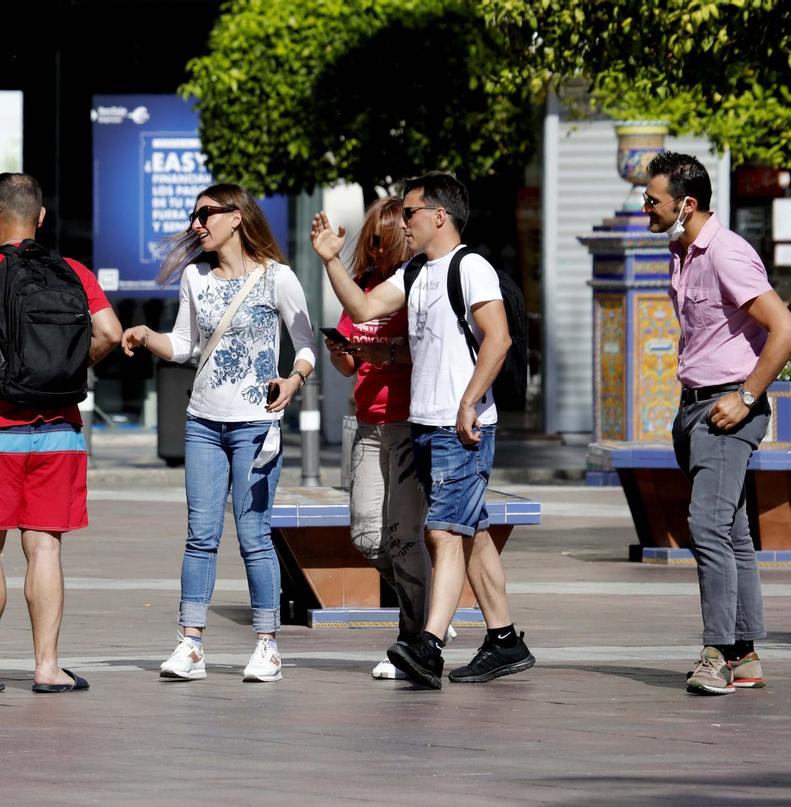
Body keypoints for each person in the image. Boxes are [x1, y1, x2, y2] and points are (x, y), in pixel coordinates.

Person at [311, 171, 534, 689]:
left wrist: (469, 402)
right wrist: (328, 260)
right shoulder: (415, 272)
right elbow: (363, 308)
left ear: (439, 215)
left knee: (442, 532)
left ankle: (428, 646)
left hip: (463, 427)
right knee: (470, 533)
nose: (402, 222)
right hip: (425, 424)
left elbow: (497, 339)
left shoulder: (470, 266)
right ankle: (504, 641)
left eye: (409, 213)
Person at [0, 172, 123, 692]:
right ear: (40, 218)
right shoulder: (73, 270)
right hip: (59, 431)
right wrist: (70, 373)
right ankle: (48, 667)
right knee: (46, 549)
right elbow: (110, 333)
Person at [121, 183, 317, 684]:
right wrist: (147, 338)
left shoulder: (279, 278)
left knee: (254, 535)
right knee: (200, 536)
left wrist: (292, 380)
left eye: (205, 214)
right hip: (203, 421)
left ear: (236, 217)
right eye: (193, 216)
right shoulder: (196, 277)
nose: (196, 225)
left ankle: (267, 645)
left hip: (257, 423)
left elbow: (306, 345)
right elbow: (185, 345)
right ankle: (191, 644)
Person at [642, 151, 791, 695]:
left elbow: (785, 329)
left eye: (653, 200)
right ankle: (746, 655)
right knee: (732, 534)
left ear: (687, 204)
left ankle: (715, 654)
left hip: (727, 411)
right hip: (697, 408)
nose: (645, 208)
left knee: (708, 528)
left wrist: (746, 396)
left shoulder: (728, 253)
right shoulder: (682, 254)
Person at [322, 196, 434, 679]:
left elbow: (422, 350)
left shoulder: (416, 285)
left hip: (408, 420)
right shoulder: (364, 286)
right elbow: (350, 365)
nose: (368, 251)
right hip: (367, 422)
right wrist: (342, 351)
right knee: (368, 536)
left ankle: (415, 636)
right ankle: (429, 612)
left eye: (375, 241)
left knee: (404, 537)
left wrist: (379, 349)